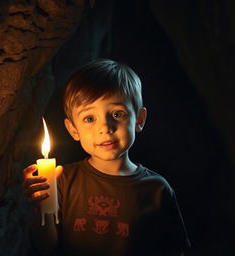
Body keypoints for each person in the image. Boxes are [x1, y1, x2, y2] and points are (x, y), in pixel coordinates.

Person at [23, 59, 190, 256]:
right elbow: (46, 248)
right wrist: (40, 206)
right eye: (89, 118)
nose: (105, 128)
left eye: (117, 114)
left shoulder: (156, 189)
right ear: (73, 129)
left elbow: (174, 250)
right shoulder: (62, 181)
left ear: (139, 119)